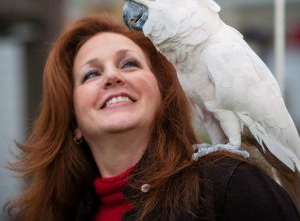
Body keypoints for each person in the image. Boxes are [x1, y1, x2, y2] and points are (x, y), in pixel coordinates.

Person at [5, 14, 300, 221]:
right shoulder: (52, 214)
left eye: (129, 64)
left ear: (163, 97)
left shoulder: (229, 185)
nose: (112, 76)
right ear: (74, 124)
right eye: (92, 74)